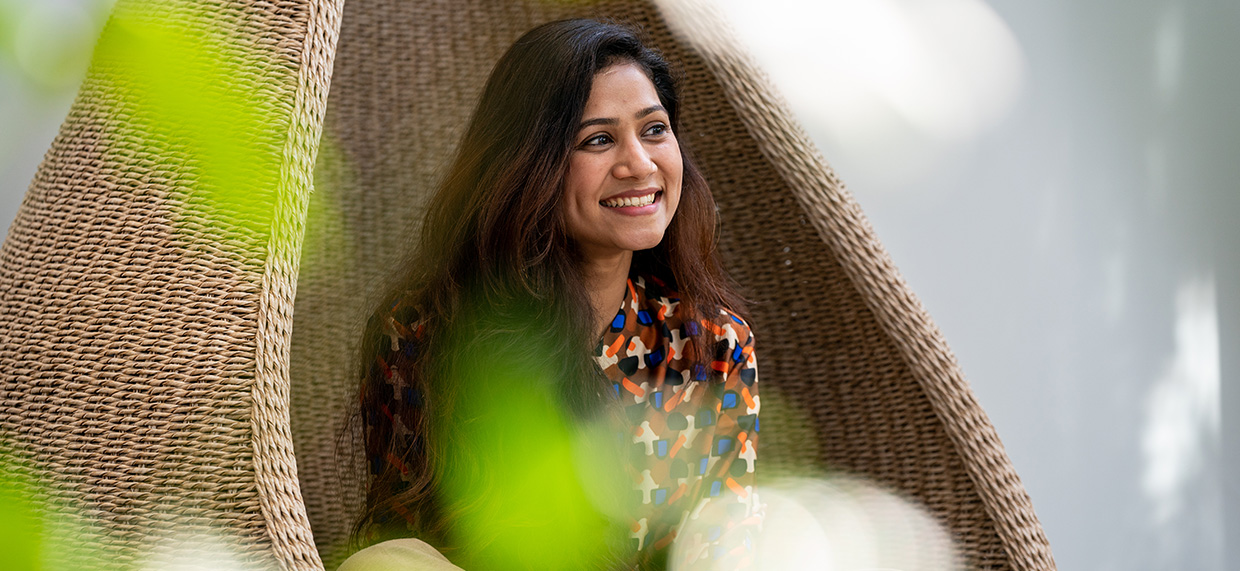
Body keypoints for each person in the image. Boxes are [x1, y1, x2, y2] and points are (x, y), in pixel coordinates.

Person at [341, 18, 761, 571]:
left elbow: (720, 549)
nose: (639, 164)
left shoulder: (709, 344)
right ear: (530, 167)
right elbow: (406, 532)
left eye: (654, 130)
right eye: (598, 140)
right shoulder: (424, 331)